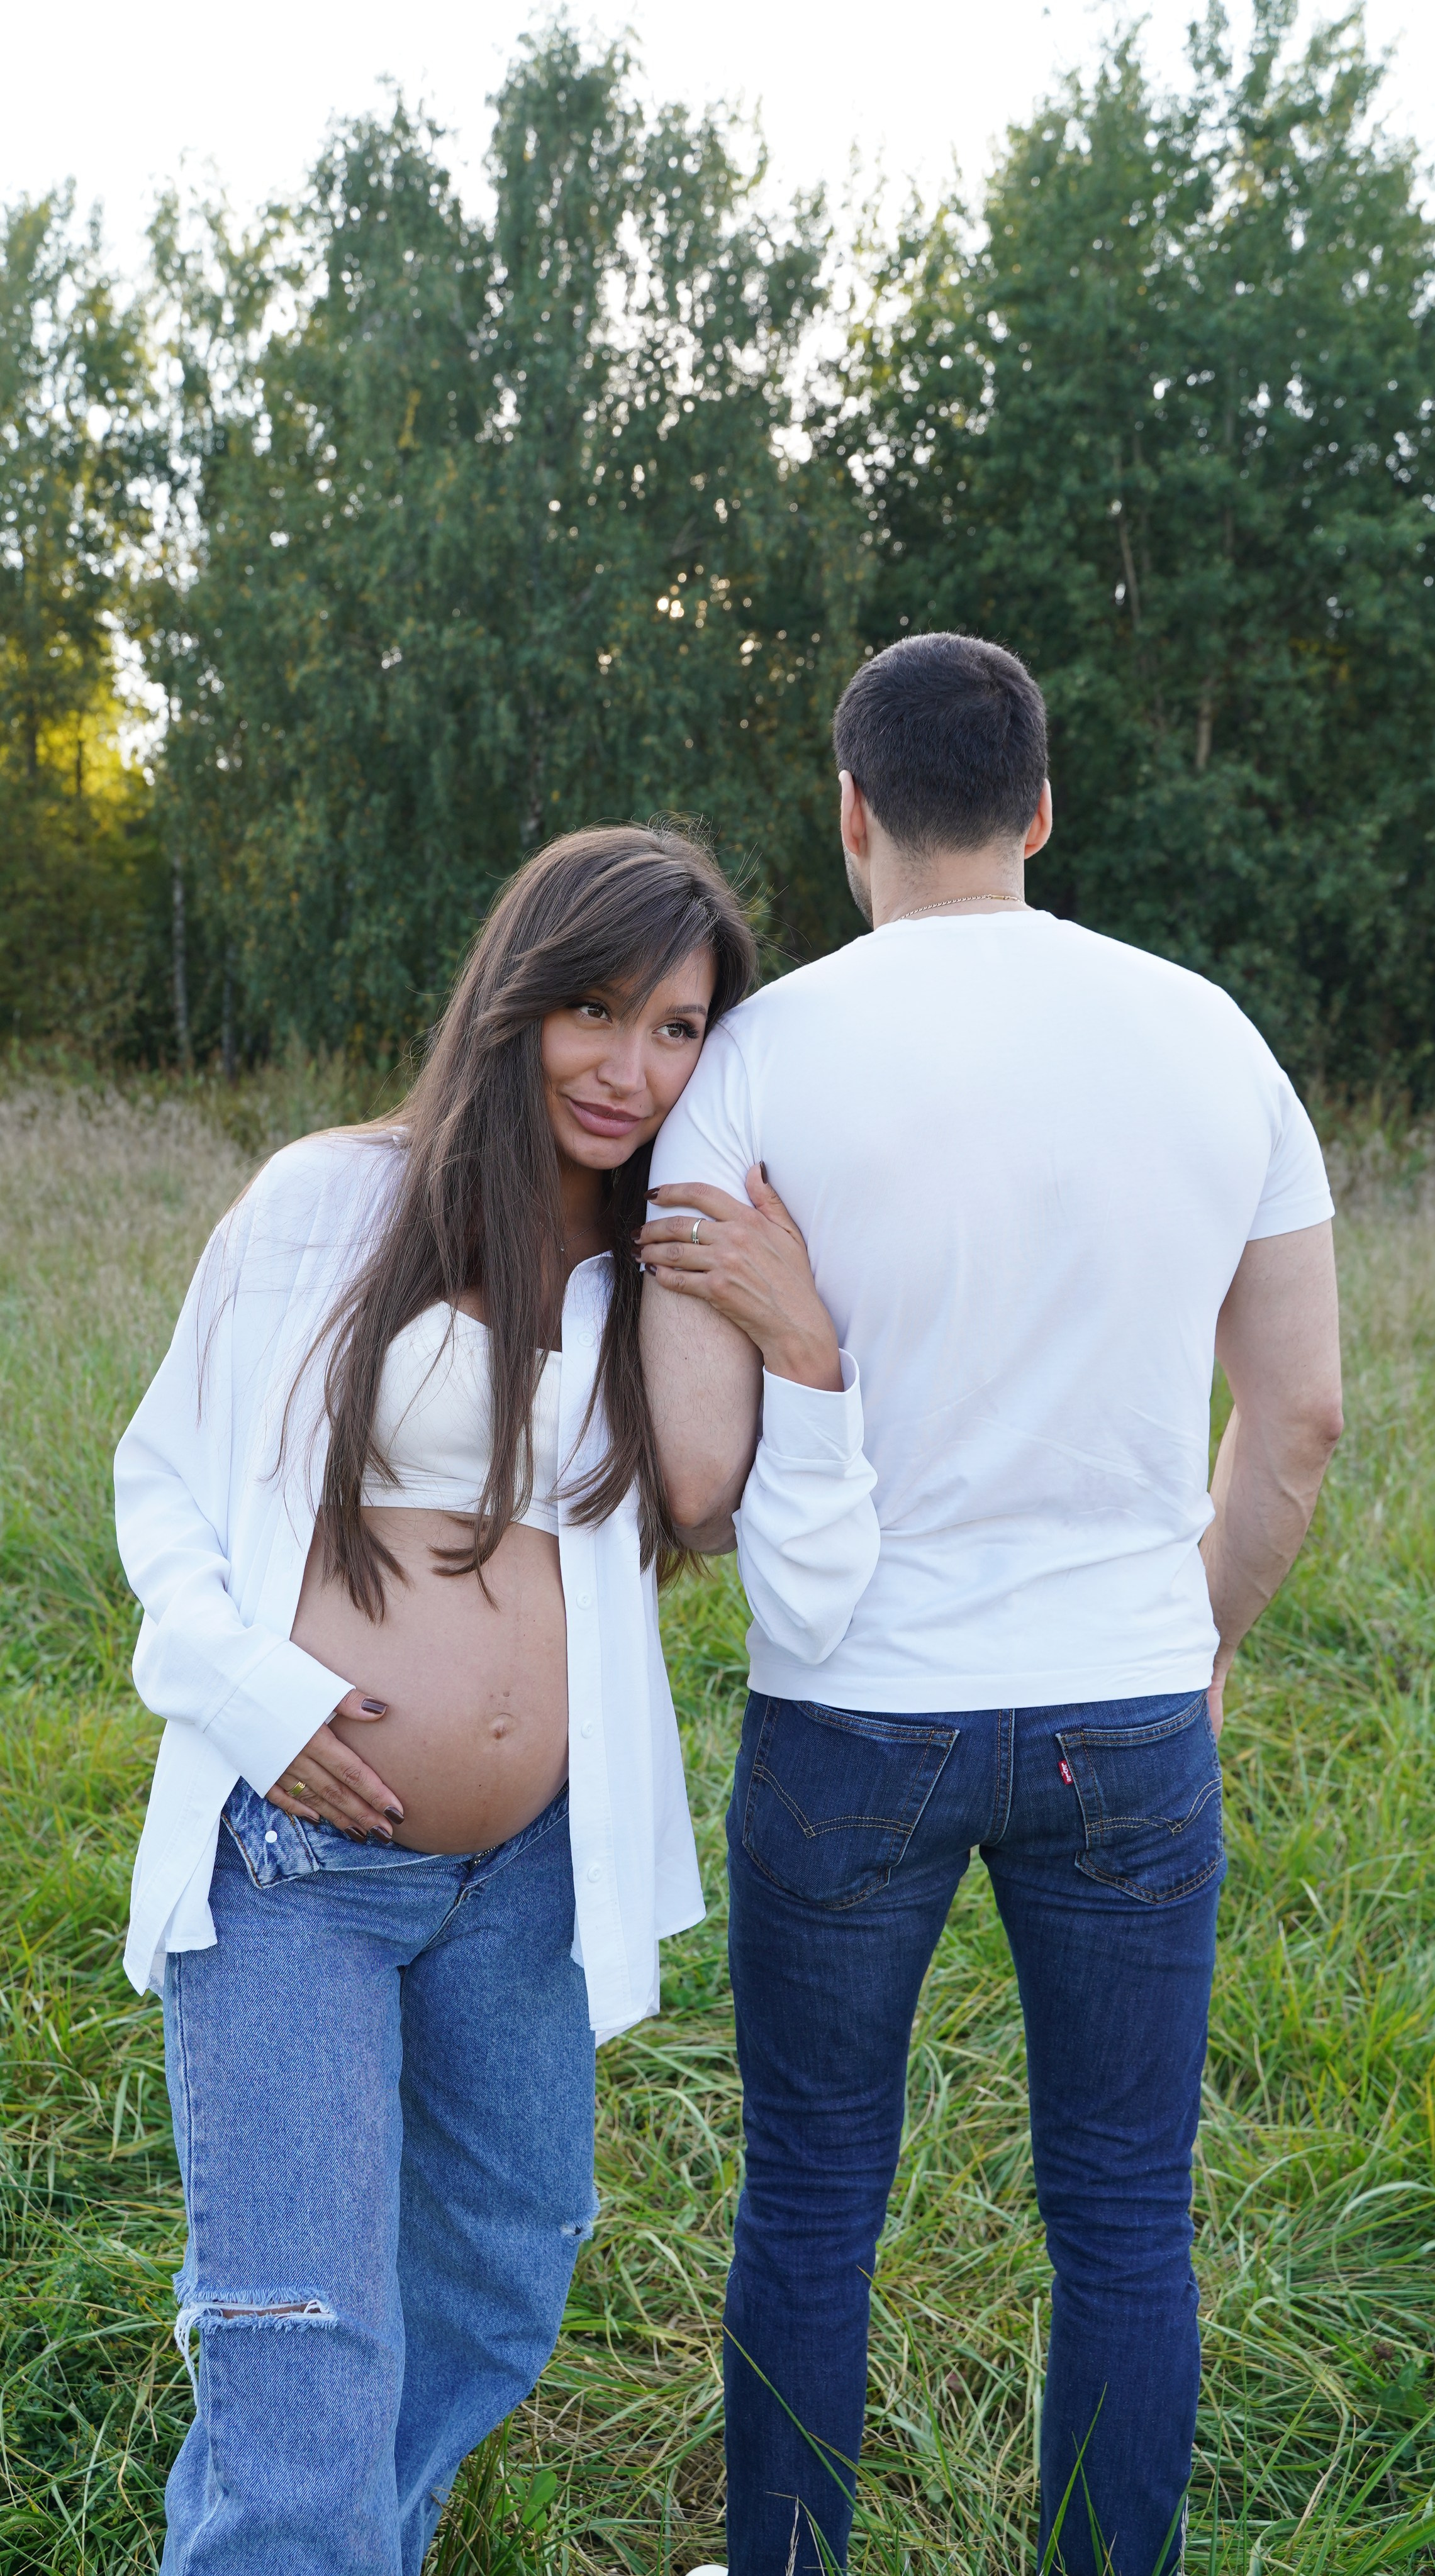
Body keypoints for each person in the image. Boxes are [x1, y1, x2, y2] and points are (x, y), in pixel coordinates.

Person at [638, 635, 1343, 2576]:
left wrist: (801, 1343)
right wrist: (1191, 1633)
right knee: (1122, 2213)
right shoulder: (1211, 1036)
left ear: (849, 813)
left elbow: (695, 1477)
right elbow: (1298, 1417)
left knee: (806, 2199)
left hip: (846, 1718)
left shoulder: (765, 1056)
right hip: (1120, 1707)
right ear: (1040, 810)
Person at [114, 826, 878, 2576]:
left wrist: (799, 1341)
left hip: (529, 1879)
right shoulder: (328, 1199)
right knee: (302, 2336)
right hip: (297, 1856)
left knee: (504, 2271)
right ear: (513, 1002)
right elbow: (159, 1478)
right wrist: (246, 1694)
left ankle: (314, 2536)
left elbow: (741, 1533)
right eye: (594, 1011)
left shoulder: (652, 1269)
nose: (631, 1068)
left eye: (680, 1029)